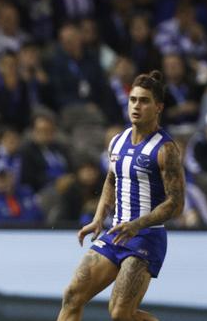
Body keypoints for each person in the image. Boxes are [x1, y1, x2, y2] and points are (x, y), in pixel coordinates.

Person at [56, 70, 185, 321]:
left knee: (119, 315)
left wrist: (137, 224)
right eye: (133, 100)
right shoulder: (118, 140)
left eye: (144, 101)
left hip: (146, 238)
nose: (137, 106)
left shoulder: (165, 149)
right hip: (115, 233)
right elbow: (112, 179)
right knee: (72, 295)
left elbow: (176, 204)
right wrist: (97, 218)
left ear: (158, 107)